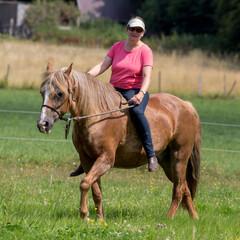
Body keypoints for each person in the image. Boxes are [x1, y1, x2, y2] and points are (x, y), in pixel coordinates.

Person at [70, 16, 159, 177]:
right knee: (88, 110)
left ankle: (151, 154)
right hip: (113, 90)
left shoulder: (145, 51)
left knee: (138, 113)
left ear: (143, 33)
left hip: (135, 90)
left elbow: (147, 76)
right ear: (127, 29)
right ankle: (85, 160)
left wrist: (141, 94)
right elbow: (103, 65)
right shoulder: (117, 46)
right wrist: (87, 76)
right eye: (132, 29)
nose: (134, 32)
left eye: (138, 30)